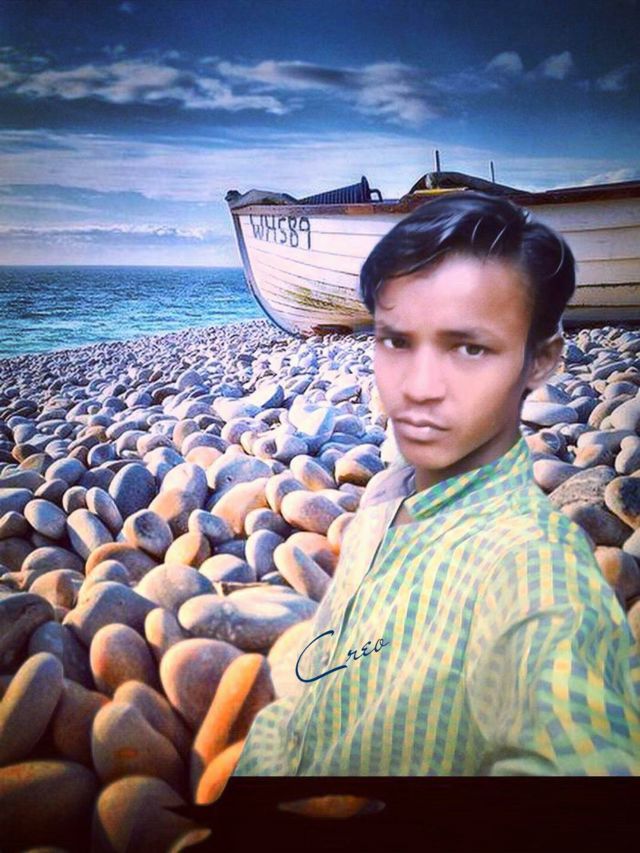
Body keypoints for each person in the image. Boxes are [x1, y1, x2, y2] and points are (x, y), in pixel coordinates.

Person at [232, 191, 640, 776]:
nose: (419, 386)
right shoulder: (381, 515)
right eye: (398, 340)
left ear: (541, 361)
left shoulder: (534, 570)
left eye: (469, 346)